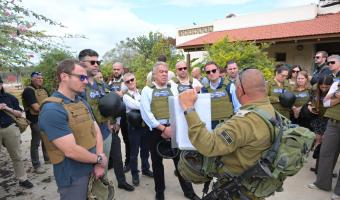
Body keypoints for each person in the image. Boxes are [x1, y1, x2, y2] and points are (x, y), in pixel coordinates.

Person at [178, 68, 274, 200]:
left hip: (238, 189)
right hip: (256, 184)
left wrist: (188, 107)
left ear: (240, 90)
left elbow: (209, 145)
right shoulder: (269, 111)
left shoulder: (244, 121)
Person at [38, 59, 107, 200]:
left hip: (94, 168)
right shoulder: (52, 109)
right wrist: (99, 159)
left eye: (86, 77)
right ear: (64, 77)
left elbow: (96, 130)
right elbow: (71, 151)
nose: (86, 81)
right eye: (81, 77)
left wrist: (99, 162)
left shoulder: (81, 102)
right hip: (74, 177)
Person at [140, 62, 199, 200]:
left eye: (166, 71)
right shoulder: (147, 90)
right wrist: (162, 129)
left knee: (180, 161)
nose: (164, 74)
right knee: (156, 162)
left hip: (173, 129)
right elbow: (146, 114)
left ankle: (189, 192)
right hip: (156, 131)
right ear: (154, 74)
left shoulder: (173, 87)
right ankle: (159, 192)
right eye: (161, 71)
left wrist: (172, 127)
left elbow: (179, 106)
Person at [79, 50, 134, 191]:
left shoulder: (100, 84)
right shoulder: (79, 85)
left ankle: (115, 185)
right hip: (88, 135)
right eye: (92, 62)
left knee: (110, 159)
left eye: (98, 62)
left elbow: (112, 102)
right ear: (81, 63)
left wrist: (114, 121)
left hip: (106, 130)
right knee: (91, 169)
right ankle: (94, 192)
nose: (96, 64)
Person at [308, 54, 340, 200]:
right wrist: (335, 96)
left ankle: (338, 192)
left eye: (332, 62)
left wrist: (334, 96)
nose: (329, 64)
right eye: (328, 63)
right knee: (326, 152)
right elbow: (326, 101)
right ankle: (322, 183)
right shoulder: (334, 80)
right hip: (333, 120)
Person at [0, 77, 34, 189]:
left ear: (1, 85)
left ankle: (22, 179)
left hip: (10, 128)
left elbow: (19, 114)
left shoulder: (10, 98)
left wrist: (7, 108)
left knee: (16, 156)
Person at [122, 73, 153, 186]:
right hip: (134, 128)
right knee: (134, 153)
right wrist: (146, 104)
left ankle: (145, 169)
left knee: (145, 150)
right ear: (125, 84)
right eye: (127, 81)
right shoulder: (126, 96)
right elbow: (139, 105)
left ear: (135, 79)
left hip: (145, 127)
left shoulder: (142, 92)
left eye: (132, 80)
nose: (130, 82)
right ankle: (135, 174)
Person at [22, 71, 49, 174]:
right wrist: (49, 109)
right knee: (36, 142)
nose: (40, 79)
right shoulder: (28, 91)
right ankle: (36, 165)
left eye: (41, 78)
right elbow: (36, 107)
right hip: (34, 120)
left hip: (45, 118)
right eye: (37, 78)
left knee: (46, 140)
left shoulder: (43, 89)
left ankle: (47, 159)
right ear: (32, 79)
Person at [108, 62, 131, 173]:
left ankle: (128, 163)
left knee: (127, 140)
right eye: (114, 69)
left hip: (124, 114)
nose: (116, 71)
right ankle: (111, 162)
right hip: (113, 114)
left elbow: (123, 93)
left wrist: (117, 93)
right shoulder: (110, 81)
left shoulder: (126, 81)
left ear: (122, 70)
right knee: (112, 139)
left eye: (118, 69)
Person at [309, 75, 333, 173]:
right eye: (321, 86)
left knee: (325, 143)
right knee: (318, 141)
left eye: (326, 87)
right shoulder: (315, 90)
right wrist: (310, 106)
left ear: (330, 85)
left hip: (329, 119)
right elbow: (310, 100)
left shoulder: (334, 92)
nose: (323, 89)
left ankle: (323, 166)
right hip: (319, 118)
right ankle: (317, 164)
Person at [201, 61, 234, 128]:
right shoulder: (203, 90)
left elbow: (237, 108)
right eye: (208, 72)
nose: (211, 73)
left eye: (213, 71)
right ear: (206, 74)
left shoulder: (230, 86)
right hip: (210, 127)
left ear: (218, 71)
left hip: (228, 126)